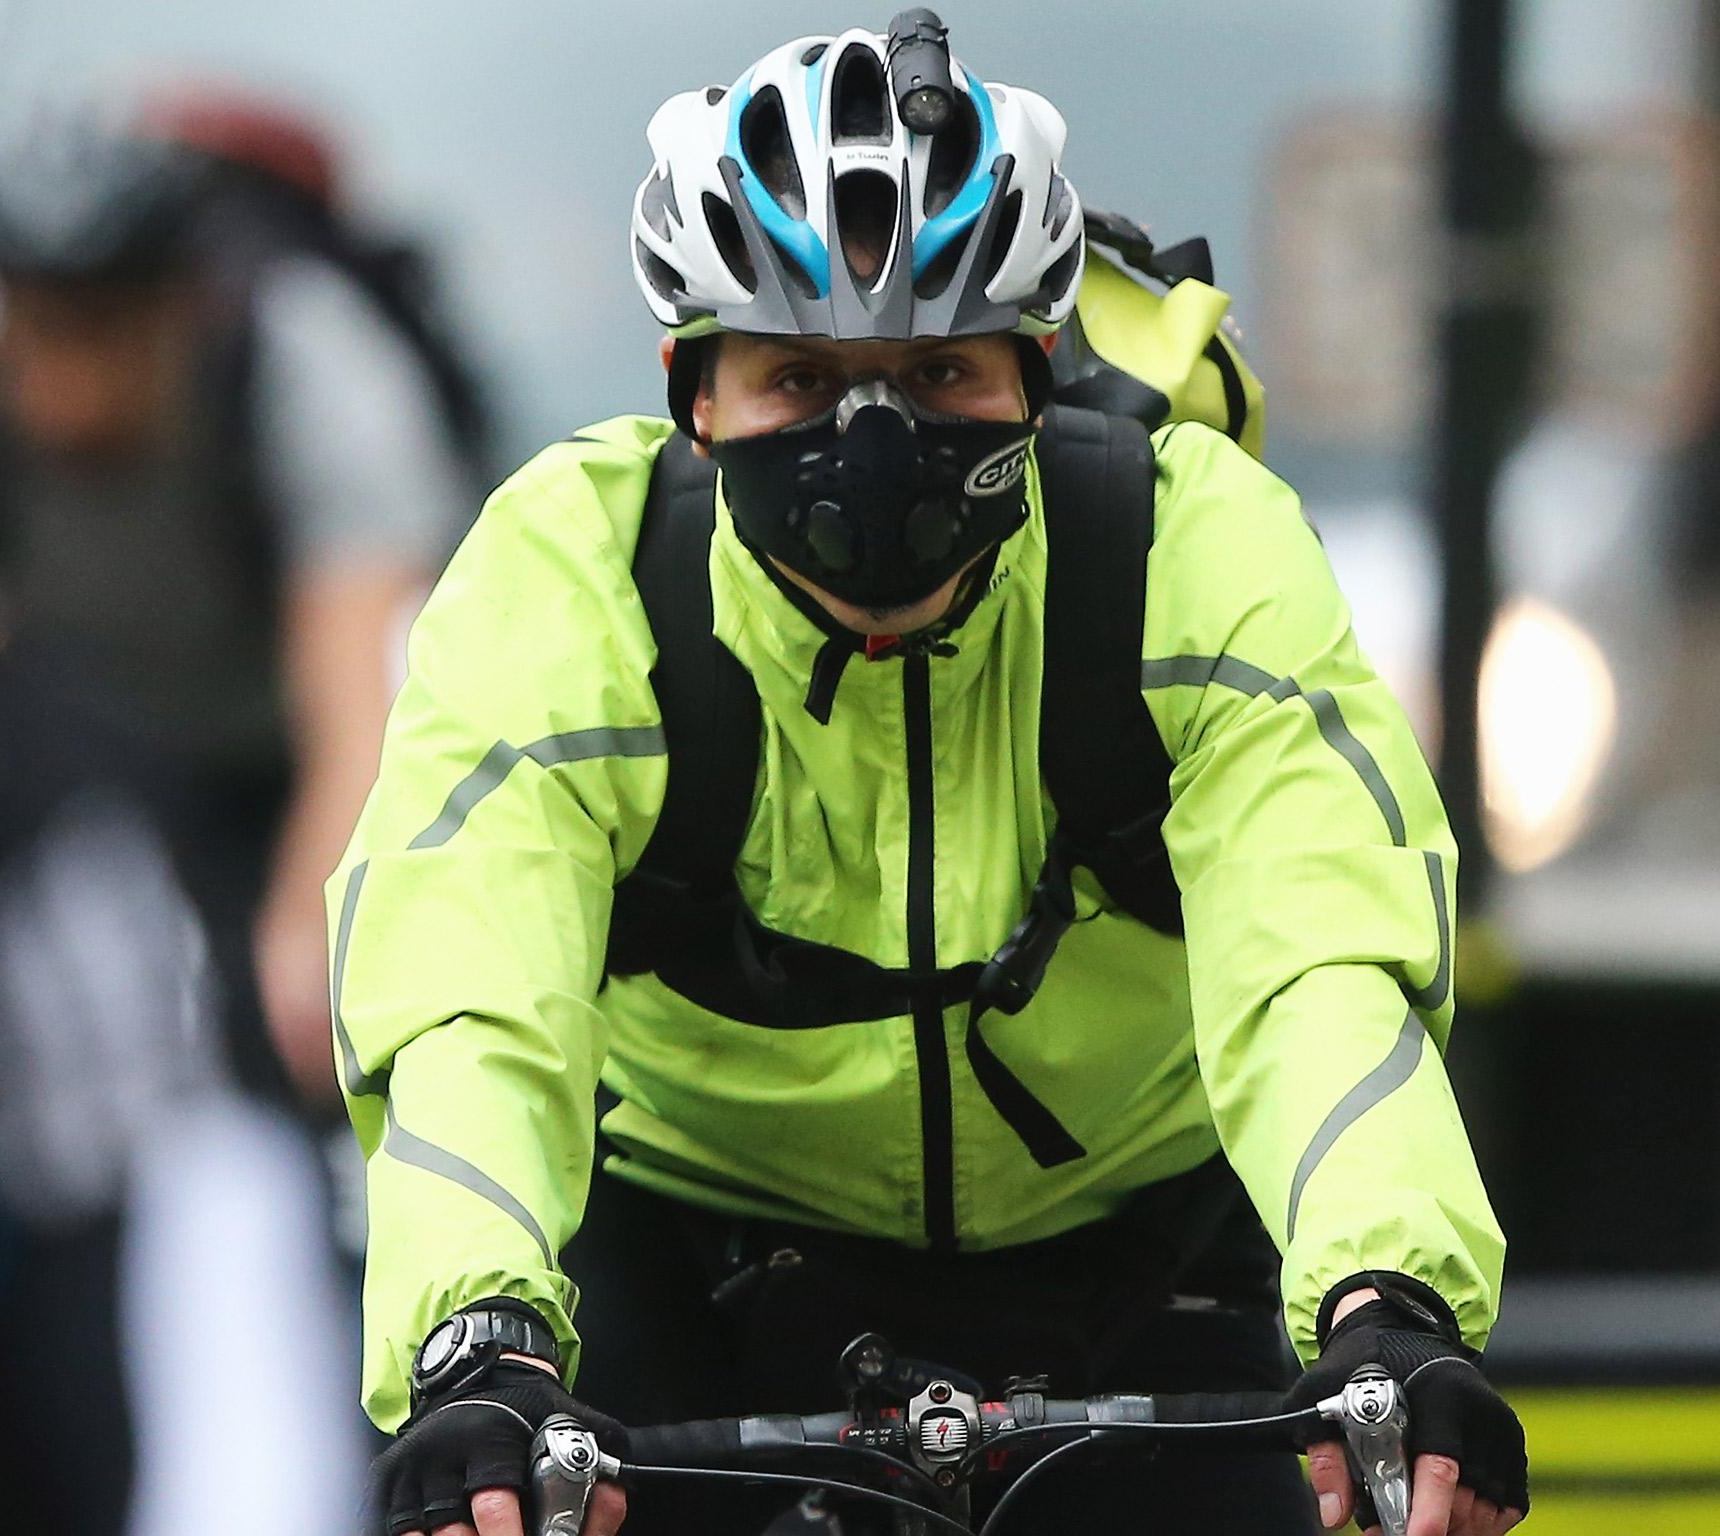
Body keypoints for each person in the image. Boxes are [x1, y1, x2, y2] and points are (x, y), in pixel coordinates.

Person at [334, 15, 1527, 1536]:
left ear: (1041, 375)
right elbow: (469, 998)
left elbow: (1319, 964)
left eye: (941, 371)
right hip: (694, 1256)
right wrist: (476, 1347)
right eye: (799, 379)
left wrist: (1393, 1299)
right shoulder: (575, 575)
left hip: (1142, 1252)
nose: (871, 436)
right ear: (692, 396)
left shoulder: (1189, 548)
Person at [0, 113, 478, 1105]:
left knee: (303, 1015)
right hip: (42, 781)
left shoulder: (305, 368)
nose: (69, 384)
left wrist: (318, 933)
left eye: (106, 331)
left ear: (182, 307)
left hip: (262, 776)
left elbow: (361, 694)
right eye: (37, 331)